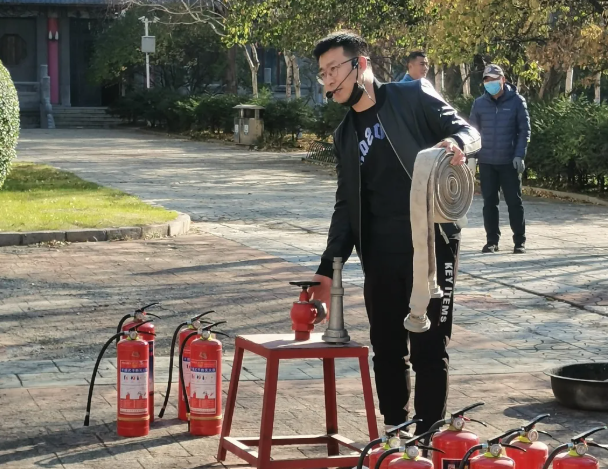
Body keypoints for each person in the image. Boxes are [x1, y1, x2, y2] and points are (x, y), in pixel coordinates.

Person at [308, 31, 480, 435]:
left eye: (334, 69)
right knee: (386, 348)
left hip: (431, 247)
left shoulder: (412, 96)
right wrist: (326, 268)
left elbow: (469, 131)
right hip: (379, 252)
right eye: (323, 73)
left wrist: (456, 142)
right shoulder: (345, 135)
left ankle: (428, 437)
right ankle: (395, 434)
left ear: (361, 65)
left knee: (428, 348)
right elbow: (346, 206)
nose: (329, 80)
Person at [469, 64, 531, 254]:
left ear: (503, 79)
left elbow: (524, 131)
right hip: (487, 162)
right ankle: (491, 241)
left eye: (494, 79)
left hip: (509, 162)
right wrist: (471, 157)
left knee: (514, 203)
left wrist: (519, 155)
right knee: (489, 203)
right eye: (487, 80)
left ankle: (519, 241)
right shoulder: (479, 103)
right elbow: (472, 132)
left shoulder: (517, 101)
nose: (491, 83)